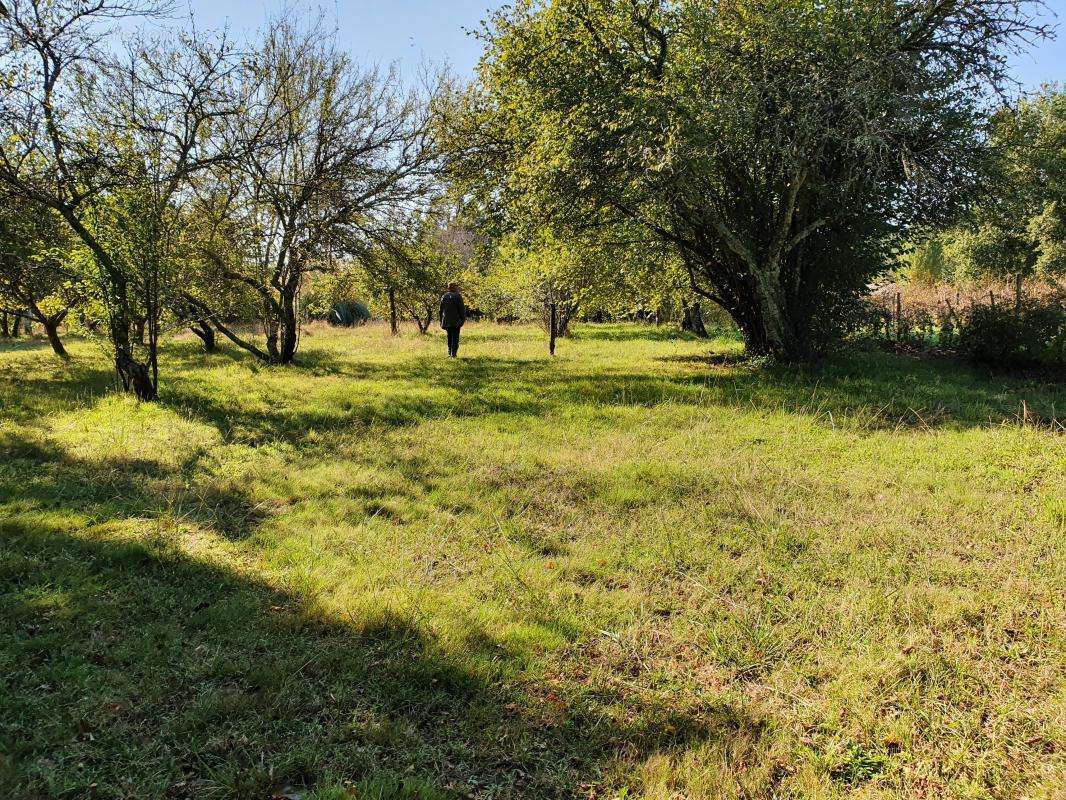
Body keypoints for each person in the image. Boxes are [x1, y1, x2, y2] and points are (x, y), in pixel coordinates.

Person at [439, 282, 466, 357]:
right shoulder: (458, 296)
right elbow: (462, 309)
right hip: (456, 321)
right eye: (456, 286)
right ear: (454, 288)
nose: (457, 288)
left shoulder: (444, 296)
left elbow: (440, 310)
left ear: (448, 288)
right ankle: (453, 354)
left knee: (449, 337)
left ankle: (449, 353)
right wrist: (462, 320)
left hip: (446, 321)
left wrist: (441, 320)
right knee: (455, 337)